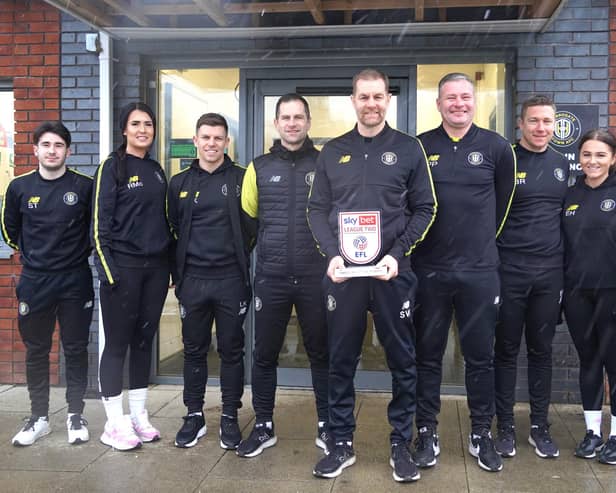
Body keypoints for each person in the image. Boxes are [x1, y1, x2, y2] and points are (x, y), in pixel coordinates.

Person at [307, 69, 436, 482]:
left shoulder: (408, 149)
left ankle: (401, 442)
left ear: (388, 100)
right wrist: (330, 255)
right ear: (353, 101)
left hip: (391, 273)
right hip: (344, 274)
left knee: (402, 359)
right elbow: (315, 209)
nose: (372, 103)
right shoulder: (333, 151)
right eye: (364, 97)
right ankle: (340, 441)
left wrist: (398, 254)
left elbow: (425, 208)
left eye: (378, 96)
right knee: (341, 358)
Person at [412, 73, 516, 473]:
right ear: (438, 104)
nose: (458, 103)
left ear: (475, 101)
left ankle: (480, 434)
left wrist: (480, 247)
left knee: (480, 358)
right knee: (428, 357)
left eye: (465, 97)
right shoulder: (421, 147)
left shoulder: (497, 147)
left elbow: (504, 203)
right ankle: (427, 432)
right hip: (430, 272)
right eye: (450, 98)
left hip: (479, 272)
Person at [237, 94, 330, 458]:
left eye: (298, 117)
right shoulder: (257, 168)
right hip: (272, 277)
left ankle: (327, 424)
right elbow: (248, 222)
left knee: (321, 353)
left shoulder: (325, 165)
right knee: (264, 354)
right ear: (276, 124)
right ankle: (263, 425)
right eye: (285, 118)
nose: (292, 124)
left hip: (315, 277)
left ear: (308, 122)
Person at [2, 121, 93, 446]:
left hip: (74, 279)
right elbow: (10, 229)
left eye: (58, 145)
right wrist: (34, 256)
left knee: (75, 348)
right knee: (36, 350)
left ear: (69, 150)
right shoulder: (19, 187)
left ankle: (75, 414)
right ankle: (39, 417)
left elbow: (94, 231)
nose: (52, 151)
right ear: (35, 149)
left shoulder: (85, 186)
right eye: (46, 145)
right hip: (35, 280)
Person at [167, 113, 252, 450]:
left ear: (227, 141)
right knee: (193, 351)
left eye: (218, 138)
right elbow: (173, 227)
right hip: (194, 281)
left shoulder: (243, 179)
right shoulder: (179, 183)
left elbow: (252, 227)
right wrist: (179, 275)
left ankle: (229, 416)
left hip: (231, 279)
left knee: (232, 351)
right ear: (196, 140)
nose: (212, 143)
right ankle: (194, 415)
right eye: (206, 137)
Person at [92, 102, 172, 451]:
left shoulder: (156, 170)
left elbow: (165, 221)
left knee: (143, 343)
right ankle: (114, 423)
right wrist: (110, 274)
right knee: (117, 345)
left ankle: (138, 416)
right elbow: (98, 228)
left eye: (149, 124)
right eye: (136, 124)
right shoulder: (112, 167)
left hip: (154, 271)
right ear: (124, 129)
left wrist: (168, 269)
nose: (143, 129)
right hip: (121, 270)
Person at [494, 95, 568, 459]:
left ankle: (539, 427)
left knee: (542, 351)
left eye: (548, 121)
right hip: (509, 271)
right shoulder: (504, 160)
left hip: (549, 275)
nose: (542, 128)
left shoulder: (561, 164)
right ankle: (504, 426)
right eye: (534, 121)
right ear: (520, 124)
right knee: (505, 350)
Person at [562, 129, 616, 466]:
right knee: (590, 362)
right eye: (586, 155)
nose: (592, 161)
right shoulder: (570, 194)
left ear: (612, 158)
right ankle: (593, 432)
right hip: (578, 293)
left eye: (599, 155)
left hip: (612, 291)